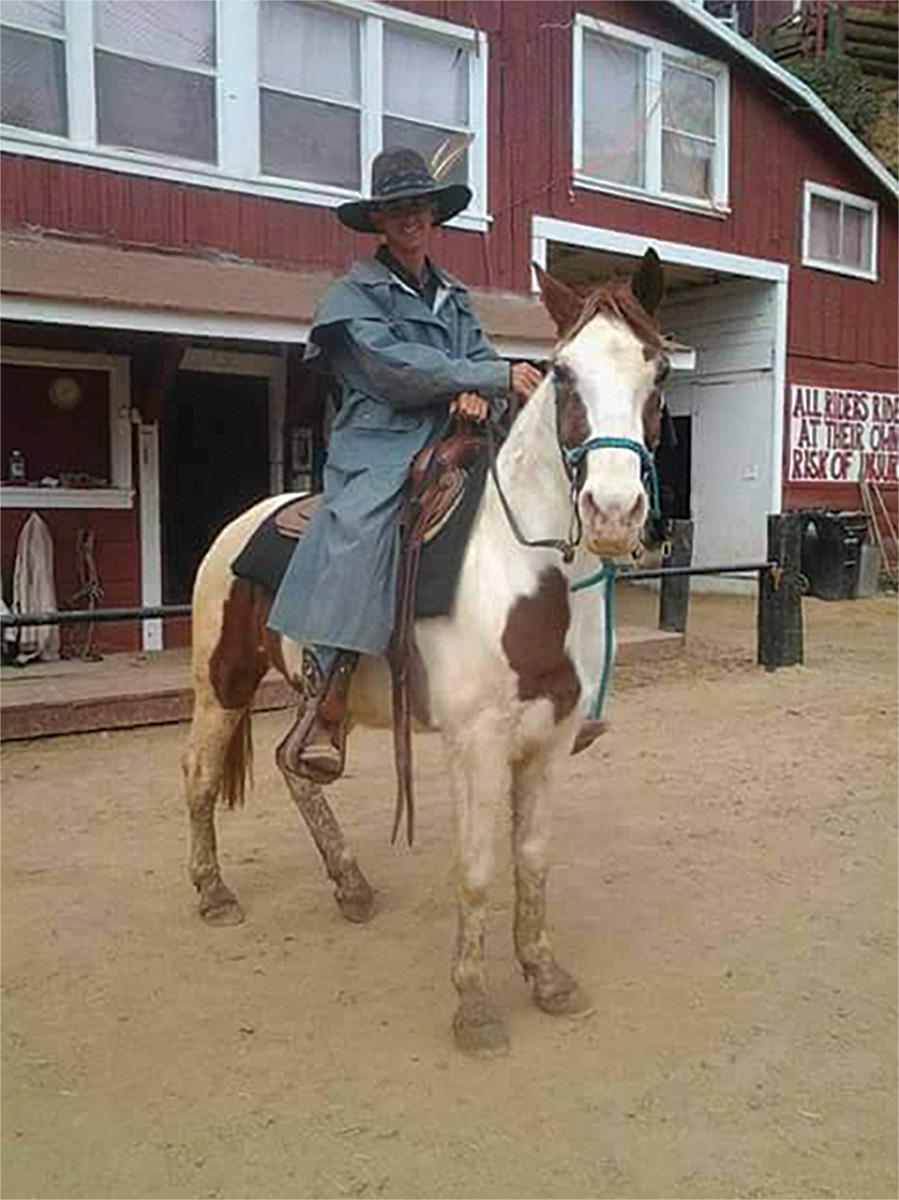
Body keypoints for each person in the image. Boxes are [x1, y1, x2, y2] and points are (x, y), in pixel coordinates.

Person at [269, 147, 542, 782]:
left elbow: (474, 353)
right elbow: (389, 369)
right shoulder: (352, 295)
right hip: (381, 441)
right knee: (363, 524)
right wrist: (483, 376)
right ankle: (328, 696)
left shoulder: (453, 295)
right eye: (396, 209)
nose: (410, 217)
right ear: (379, 222)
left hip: (453, 430)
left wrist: (478, 390)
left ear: (433, 214)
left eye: (418, 205)